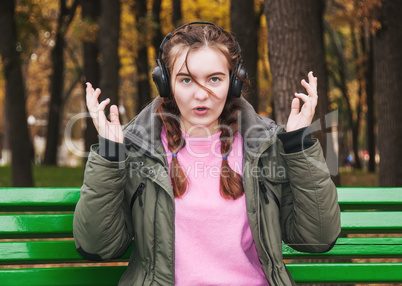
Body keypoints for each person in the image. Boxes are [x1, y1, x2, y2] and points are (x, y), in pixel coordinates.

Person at [73, 21, 341, 286]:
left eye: (214, 78)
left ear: (233, 83)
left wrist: (298, 145)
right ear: (166, 84)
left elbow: (316, 238)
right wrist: (110, 156)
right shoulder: (136, 149)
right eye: (186, 80)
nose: (201, 94)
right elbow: (97, 246)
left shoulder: (267, 147)